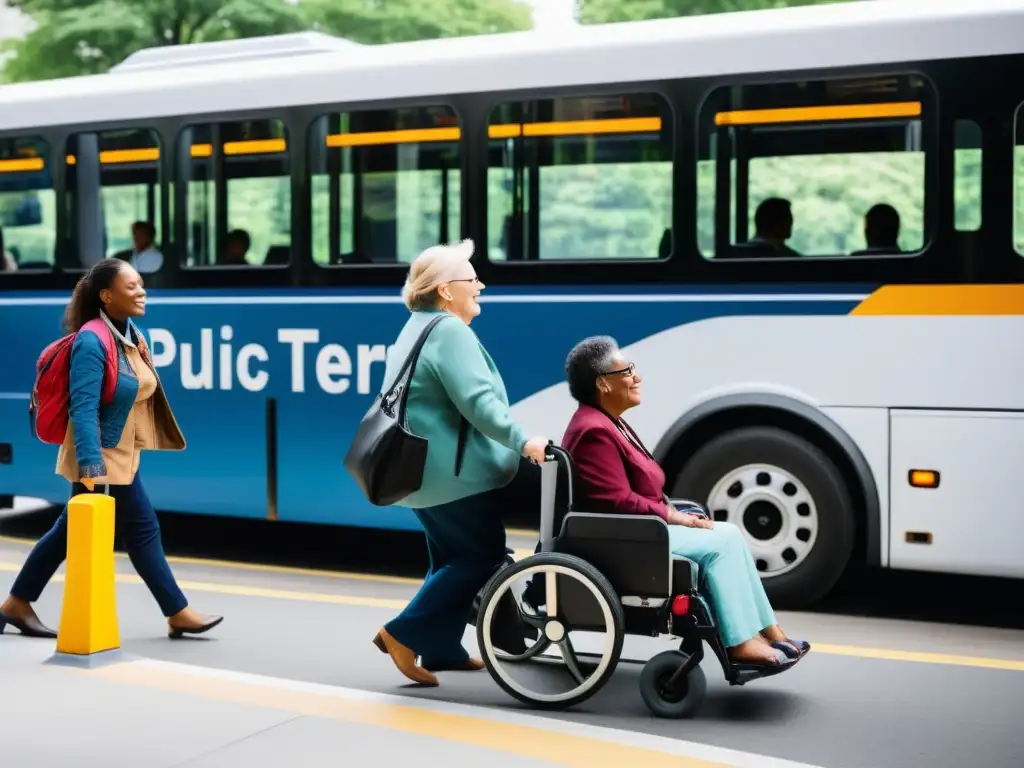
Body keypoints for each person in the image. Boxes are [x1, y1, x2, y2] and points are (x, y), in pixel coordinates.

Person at [0, 259, 222, 640]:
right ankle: (177, 612)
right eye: (131, 286)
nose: (141, 291)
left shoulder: (131, 336)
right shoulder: (92, 340)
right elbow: (83, 406)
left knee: (111, 530)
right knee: (132, 530)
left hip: (122, 453)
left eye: (141, 284)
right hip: (100, 455)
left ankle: (17, 604)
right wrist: (90, 463)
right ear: (107, 296)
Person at [560, 336, 809, 666]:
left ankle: (770, 631)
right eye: (628, 370)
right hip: (627, 536)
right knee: (724, 541)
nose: (637, 376)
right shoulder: (594, 430)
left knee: (728, 535)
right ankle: (741, 642)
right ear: (604, 384)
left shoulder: (608, 422)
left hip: (638, 529)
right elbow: (616, 501)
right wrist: (673, 516)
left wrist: (673, 513)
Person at [371, 239, 548, 687]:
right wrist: (523, 440)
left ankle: (443, 648)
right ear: (446, 291)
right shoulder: (448, 331)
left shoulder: (417, 325)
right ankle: (401, 633)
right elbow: (478, 402)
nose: (480, 286)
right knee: (481, 556)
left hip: (422, 473)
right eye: (472, 279)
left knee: (449, 557)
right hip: (452, 476)